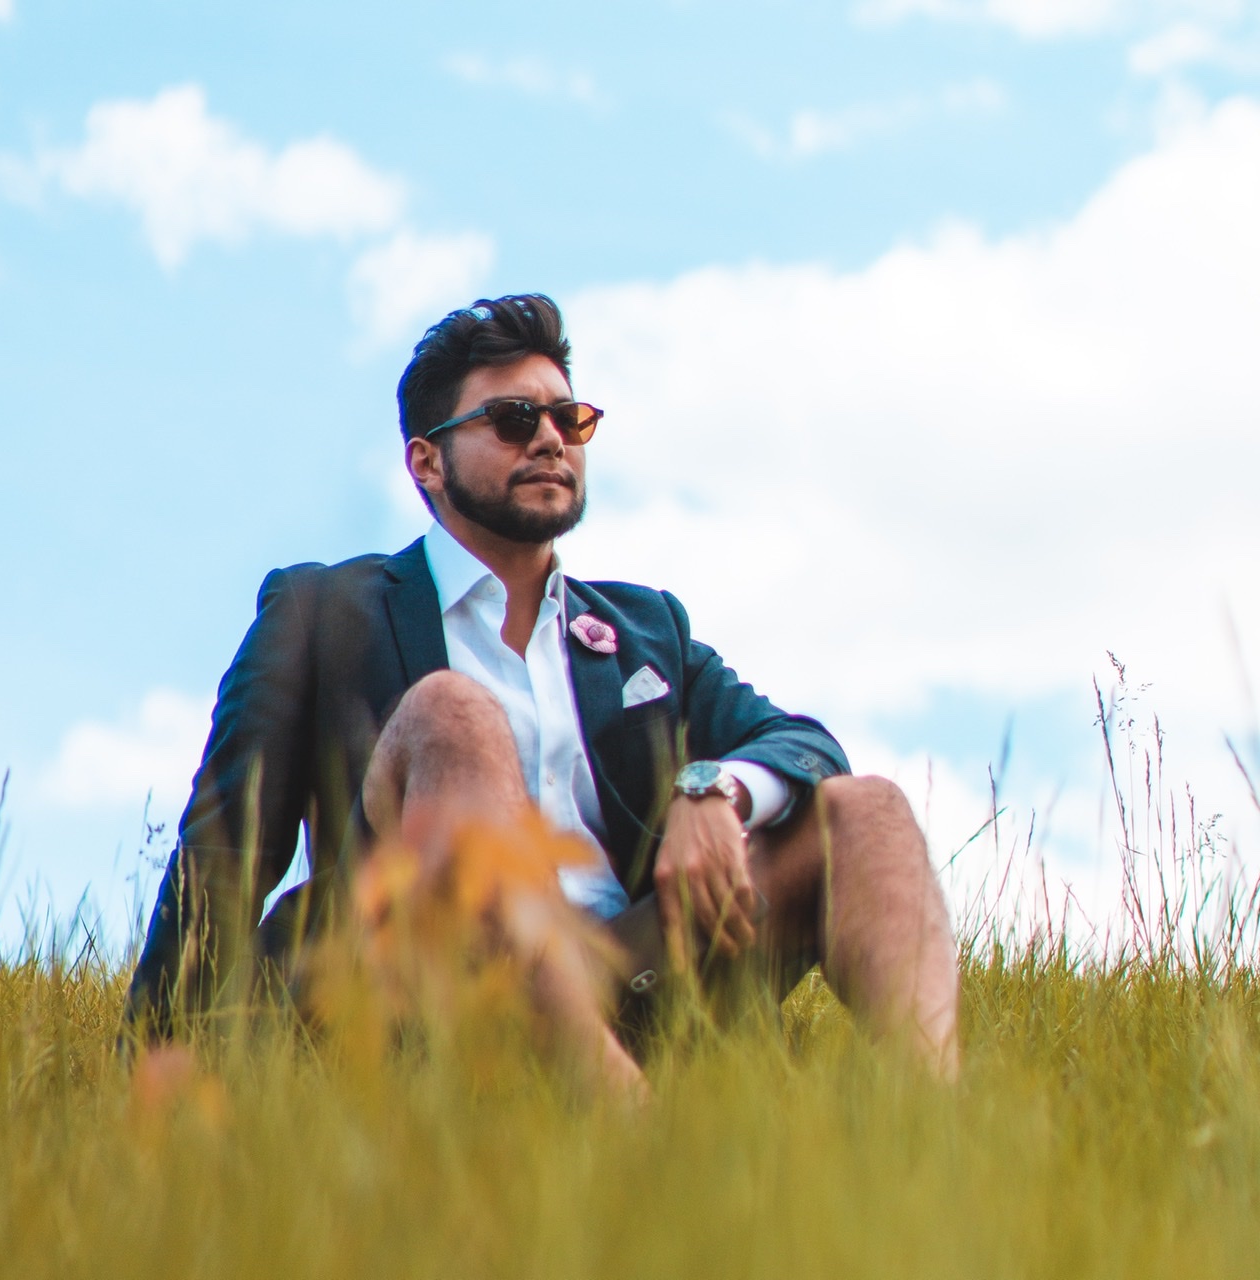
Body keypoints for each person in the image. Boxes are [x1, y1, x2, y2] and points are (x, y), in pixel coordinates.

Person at [123, 294, 959, 1091]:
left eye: (571, 418)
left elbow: (807, 748)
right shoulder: (324, 611)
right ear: (428, 461)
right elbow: (224, 849)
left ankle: (936, 1141)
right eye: (515, 420)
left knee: (868, 809)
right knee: (451, 711)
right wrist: (156, 1065)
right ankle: (625, 1124)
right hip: (412, 990)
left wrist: (714, 788)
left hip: (625, 976)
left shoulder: (646, 630)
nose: (552, 439)